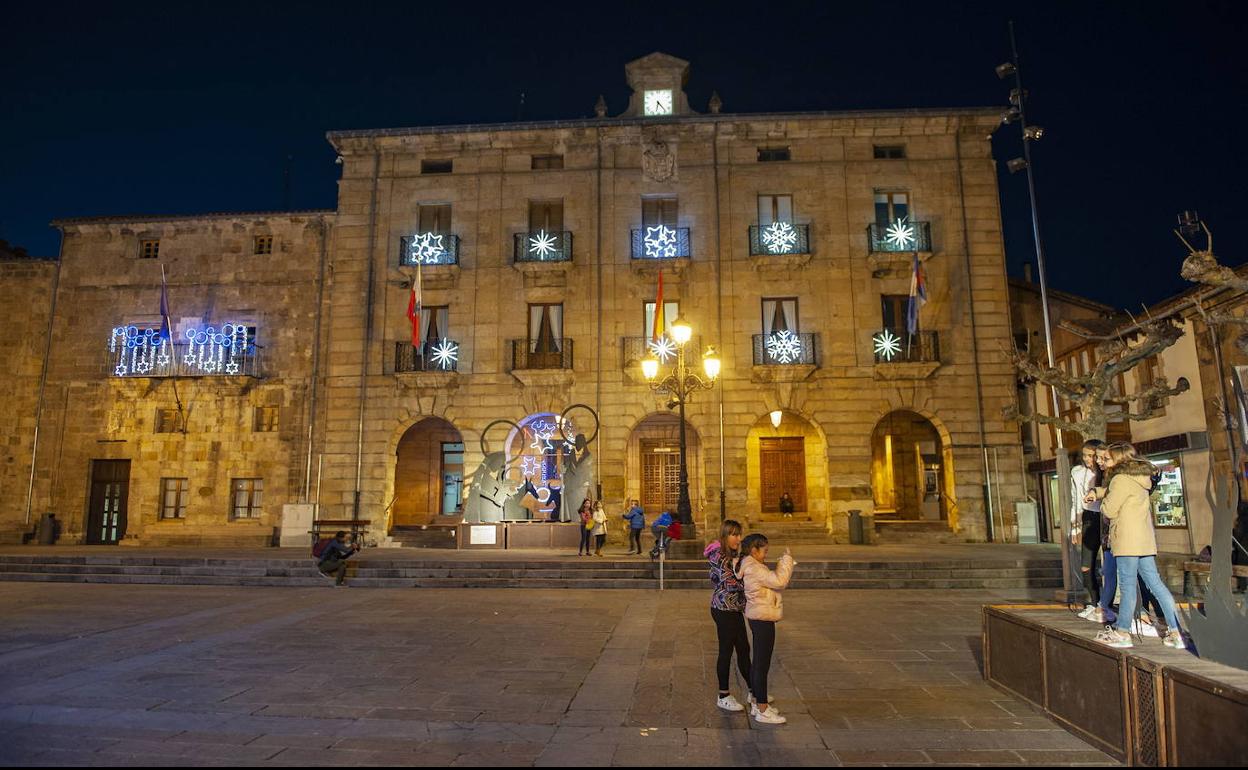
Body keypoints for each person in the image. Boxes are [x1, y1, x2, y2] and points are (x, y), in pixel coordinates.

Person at [1094, 443, 1185, 650]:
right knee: (1157, 585)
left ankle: (1123, 631)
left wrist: (1103, 501)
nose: (1105, 462)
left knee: (1127, 586)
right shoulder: (1142, 479)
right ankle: (1176, 631)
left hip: (1126, 540)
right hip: (1144, 540)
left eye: (1108, 459)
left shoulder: (1119, 479)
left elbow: (1109, 509)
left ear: (1119, 460)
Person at [734, 533, 795, 725]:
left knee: (760, 661)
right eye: (764, 551)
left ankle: (755, 701)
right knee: (761, 663)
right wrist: (786, 561)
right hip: (762, 618)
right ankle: (762, 709)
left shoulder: (749, 565)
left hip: (760, 615)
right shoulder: (753, 568)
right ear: (754, 550)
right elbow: (779, 581)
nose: (766, 554)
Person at [705, 520, 752, 712]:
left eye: (739, 535)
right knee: (726, 651)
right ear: (725, 535)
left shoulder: (731, 555)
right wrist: (753, 581)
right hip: (723, 609)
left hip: (734, 608)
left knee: (743, 648)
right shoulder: (719, 556)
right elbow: (730, 582)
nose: (738, 539)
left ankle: (754, 690)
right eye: (734, 534)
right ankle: (723, 695)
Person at [1070, 440, 1105, 620]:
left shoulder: (1106, 472)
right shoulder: (1077, 473)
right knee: (1086, 564)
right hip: (1088, 517)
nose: (1088, 459)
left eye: (1091, 456)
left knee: (1110, 565)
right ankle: (1095, 601)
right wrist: (1074, 528)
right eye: (1085, 455)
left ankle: (1105, 605)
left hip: (1106, 517)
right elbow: (1076, 500)